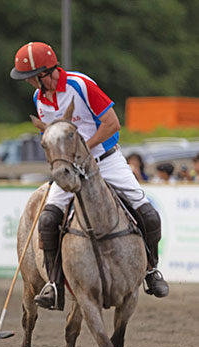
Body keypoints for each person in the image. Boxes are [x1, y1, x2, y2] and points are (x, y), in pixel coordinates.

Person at [10, 41, 169, 310]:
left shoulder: (81, 85)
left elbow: (112, 124)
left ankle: (151, 270)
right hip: (70, 167)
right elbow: (49, 135)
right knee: (48, 219)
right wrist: (59, 161)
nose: (29, 84)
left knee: (148, 212)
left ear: (46, 72)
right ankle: (54, 286)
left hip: (106, 160)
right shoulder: (39, 99)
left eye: (30, 78)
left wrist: (84, 151)